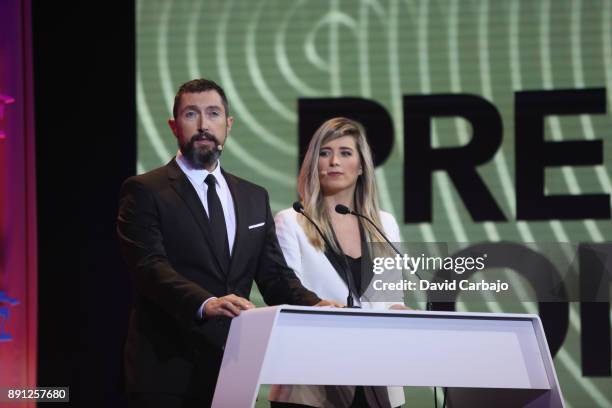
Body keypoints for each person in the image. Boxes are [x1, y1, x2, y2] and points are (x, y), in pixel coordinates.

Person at [117, 78, 340, 407]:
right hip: (166, 372)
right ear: (173, 125)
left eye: (213, 113)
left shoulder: (252, 197)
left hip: (234, 370)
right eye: (191, 114)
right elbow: (149, 268)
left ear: (229, 124)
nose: (204, 125)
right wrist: (206, 303)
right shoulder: (145, 190)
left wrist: (314, 304)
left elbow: (274, 276)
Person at [268, 117, 406, 408]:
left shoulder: (384, 224)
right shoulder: (290, 221)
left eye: (345, 153)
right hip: (311, 384)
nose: (333, 162)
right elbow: (286, 295)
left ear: (361, 167)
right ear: (313, 163)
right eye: (324, 152)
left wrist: (407, 315)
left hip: (377, 382)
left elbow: (390, 299)